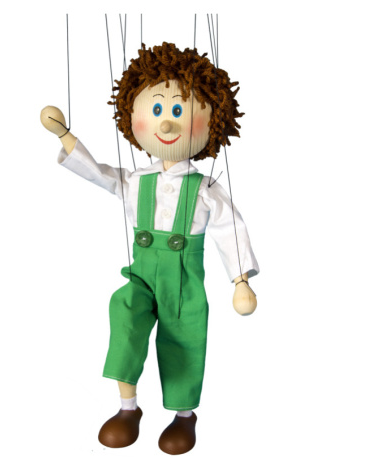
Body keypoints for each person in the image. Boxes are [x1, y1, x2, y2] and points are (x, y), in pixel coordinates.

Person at [41, 42, 259, 455]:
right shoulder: (136, 181)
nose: (168, 122)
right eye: (156, 109)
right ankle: (128, 408)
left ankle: (184, 415)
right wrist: (66, 136)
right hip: (142, 275)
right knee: (125, 312)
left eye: (179, 110)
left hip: (183, 280)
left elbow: (230, 228)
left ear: (213, 120)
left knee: (185, 337)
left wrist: (241, 279)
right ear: (132, 116)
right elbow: (97, 173)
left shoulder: (205, 188)